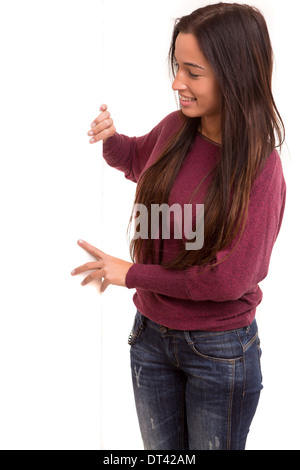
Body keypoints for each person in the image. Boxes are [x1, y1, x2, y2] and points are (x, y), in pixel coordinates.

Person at [71, 3, 286, 450]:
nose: (177, 83)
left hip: (219, 353)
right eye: (176, 67)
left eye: (193, 71)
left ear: (234, 73)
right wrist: (111, 139)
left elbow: (227, 279)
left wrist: (130, 273)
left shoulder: (261, 168)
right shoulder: (175, 129)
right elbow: (135, 159)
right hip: (151, 337)